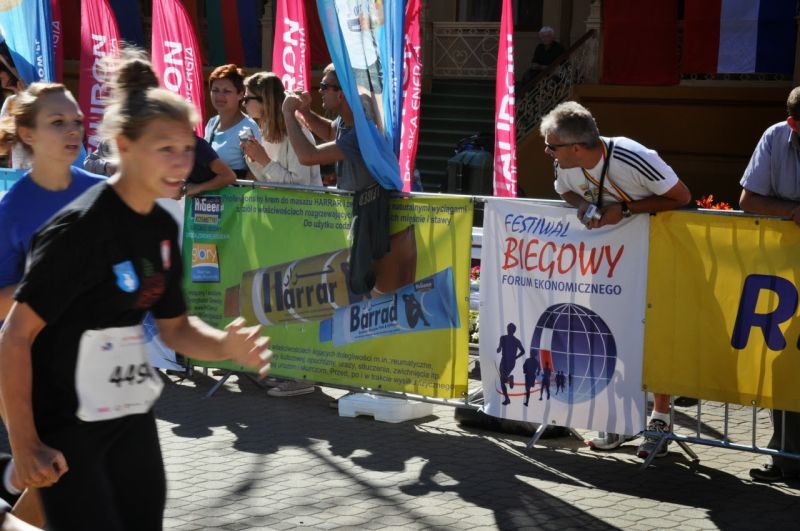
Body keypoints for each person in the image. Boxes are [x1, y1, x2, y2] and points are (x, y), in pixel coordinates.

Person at [0, 50, 272, 530]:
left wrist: (225, 346)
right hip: (65, 413)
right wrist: (24, 445)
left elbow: (176, 329)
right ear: (125, 146)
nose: (181, 162)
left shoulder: (160, 229)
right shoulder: (80, 229)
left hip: (128, 412)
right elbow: (14, 336)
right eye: (165, 149)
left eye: (186, 148)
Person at [539, 101, 691, 458]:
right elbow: (564, 190)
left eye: (552, 146)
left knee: (654, 335)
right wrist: (581, 205)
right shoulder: (565, 162)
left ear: (577, 147)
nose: (547, 152)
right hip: (610, 259)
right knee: (611, 331)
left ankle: (660, 419)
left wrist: (624, 210)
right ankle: (623, 418)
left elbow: (682, 197)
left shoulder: (632, 155)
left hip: (656, 253)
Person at [0, 82, 103, 529]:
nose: (73, 130)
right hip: (32, 365)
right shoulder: (12, 210)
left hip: (102, 367)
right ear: (27, 133)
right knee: (60, 479)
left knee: (70, 483)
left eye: (76, 121)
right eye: (57, 122)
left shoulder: (107, 194)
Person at [739, 86, 800, 484]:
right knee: (785, 361)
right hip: (785, 269)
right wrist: (793, 211)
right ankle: (786, 459)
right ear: (793, 122)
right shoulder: (776, 137)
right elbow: (748, 199)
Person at [241, 72, 322, 186]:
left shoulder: (297, 134)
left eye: (246, 99)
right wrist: (254, 158)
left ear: (265, 100)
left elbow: (300, 185)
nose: (243, 104)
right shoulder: (268, 132)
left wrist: (265, 161)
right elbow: (266, 179)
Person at [204, 64, 261, 179]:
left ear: (240, 94)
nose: (219, 96)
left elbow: (255, 174)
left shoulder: (247, 128)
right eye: (215, 90)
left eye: (226, 91)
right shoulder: (212, 123)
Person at [496, 323, 525, 405]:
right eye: (508, 328)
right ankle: (507, 398)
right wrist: (515, 357)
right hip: (509, 361)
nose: (508, 330)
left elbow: (523, 351)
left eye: (509, 328)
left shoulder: (505, 338)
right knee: (502, 379)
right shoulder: (514, 340)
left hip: (506, 361)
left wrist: (516, 357)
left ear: (512, 330)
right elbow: (523, 351)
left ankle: (509, 380)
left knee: (502, 379)